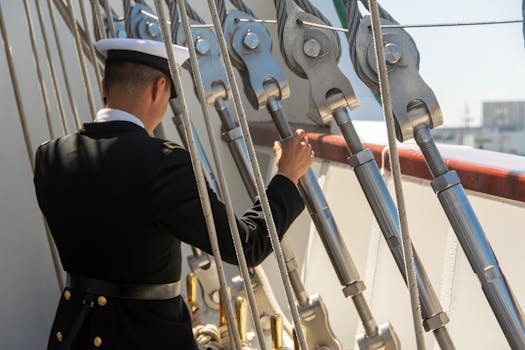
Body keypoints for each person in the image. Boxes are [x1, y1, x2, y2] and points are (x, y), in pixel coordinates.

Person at [34, 38, 313, 350]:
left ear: (104, 86)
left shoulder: (49, 156)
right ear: (158, 87)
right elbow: (247, 246)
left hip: (73, 337)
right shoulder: (163, 163)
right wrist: (287, 177)